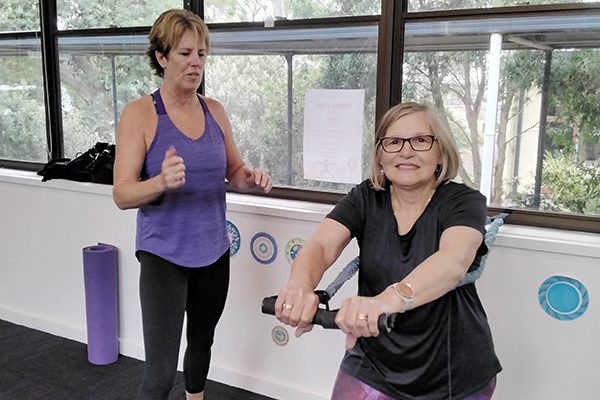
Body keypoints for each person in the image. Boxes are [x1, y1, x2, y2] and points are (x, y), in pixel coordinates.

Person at [275, 102, 501, 400]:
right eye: (393, 142)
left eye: (420, 140)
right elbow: (321, 245)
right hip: (374, 357)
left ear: (440, 151)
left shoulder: (462, 201)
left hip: (451, 368)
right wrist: (299, 287)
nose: (406, 151)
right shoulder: (366, 198)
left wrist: (386, 301)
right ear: (380, 155)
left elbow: (453, 260)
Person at [112, 9, 272, 400]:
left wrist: (249, 179)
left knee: (201, 347)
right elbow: (122, 194)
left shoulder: (214, 110)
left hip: (214, 253)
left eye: (201, 53)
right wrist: (161, 183)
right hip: (163, 257)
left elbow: (234, 171)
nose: (196, 62)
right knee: (161, 374)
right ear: (162, 57)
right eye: (185, 53)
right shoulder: (140, 114)